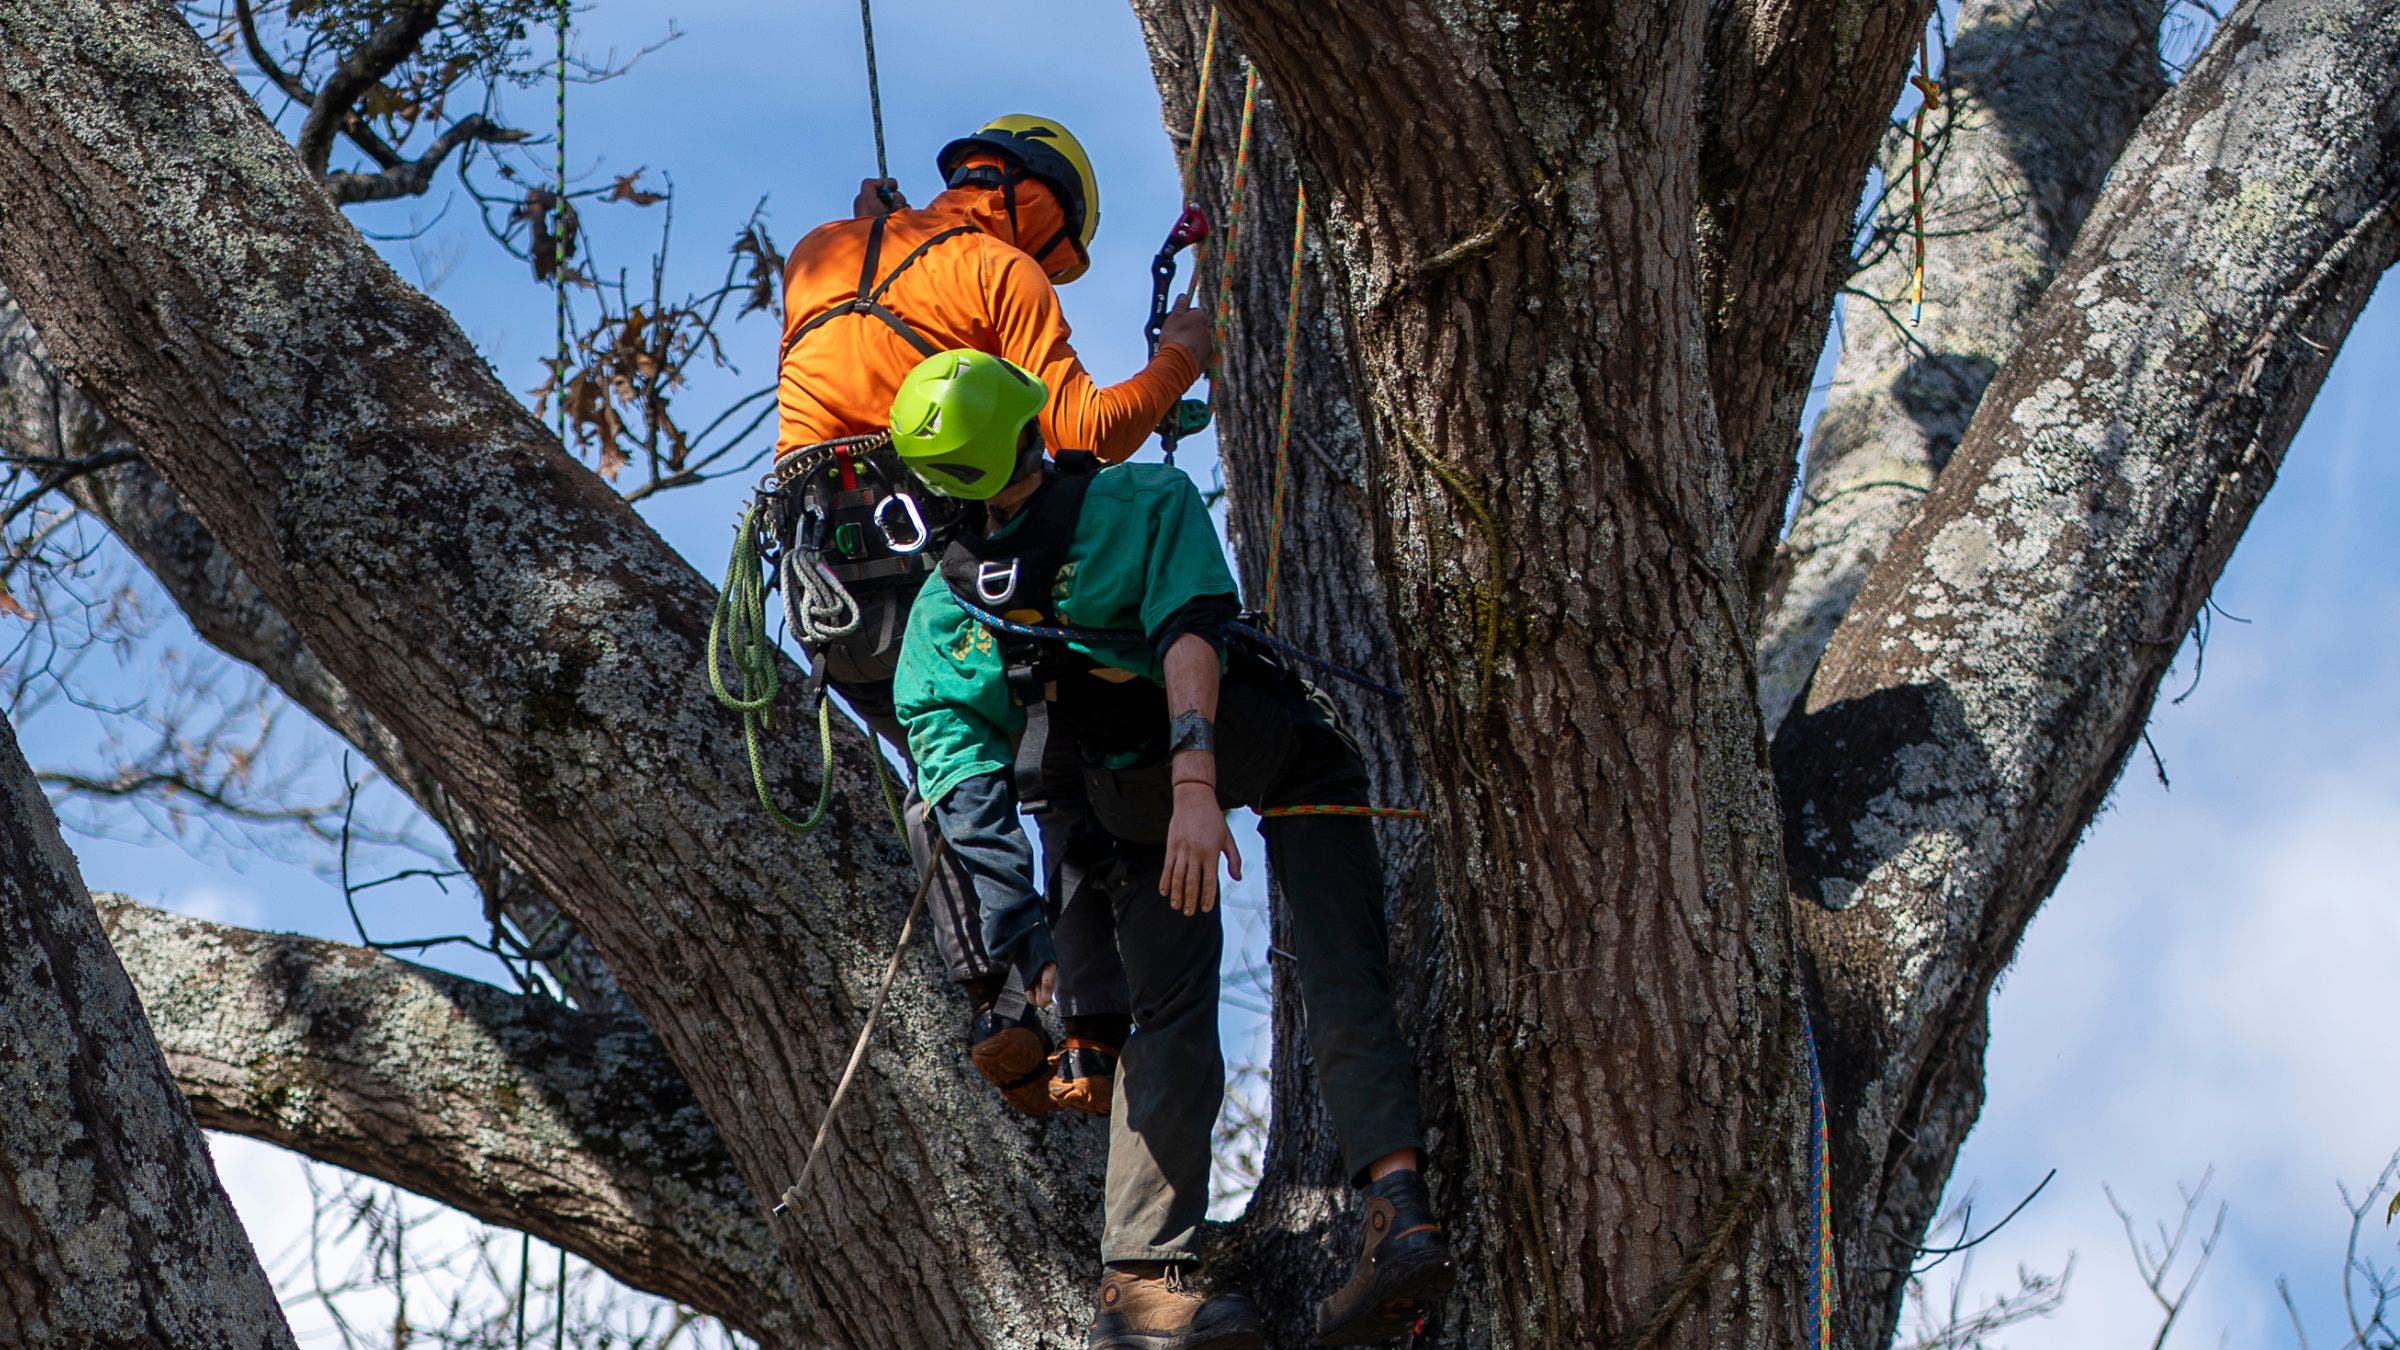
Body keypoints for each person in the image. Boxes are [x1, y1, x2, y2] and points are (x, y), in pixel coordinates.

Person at [887, 351, 1453, 1349]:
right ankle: (1396, 1208)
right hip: (1247, 744)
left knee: (1170, 1014)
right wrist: (1201, 786)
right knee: (1339, 961)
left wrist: (1021, 936)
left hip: (1128, 793)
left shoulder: (947, 608)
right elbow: (1191, 633)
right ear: (1032, 425)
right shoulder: (1139, 499)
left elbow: (964, 791)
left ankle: (1142, 1283)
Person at [772, 115, 1213, 1116]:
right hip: (936, 555)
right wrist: (1179, 359)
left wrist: (876, 222)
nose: (1049, 272)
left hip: (827, 583)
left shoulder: (816, 255)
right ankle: (1079, 1012)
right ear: (1034, 205)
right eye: (1054, 251)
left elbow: (859, 349)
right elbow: (1088, 429)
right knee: (1057, 762)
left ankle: (995, 998)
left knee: (946, 771)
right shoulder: (997, 269)